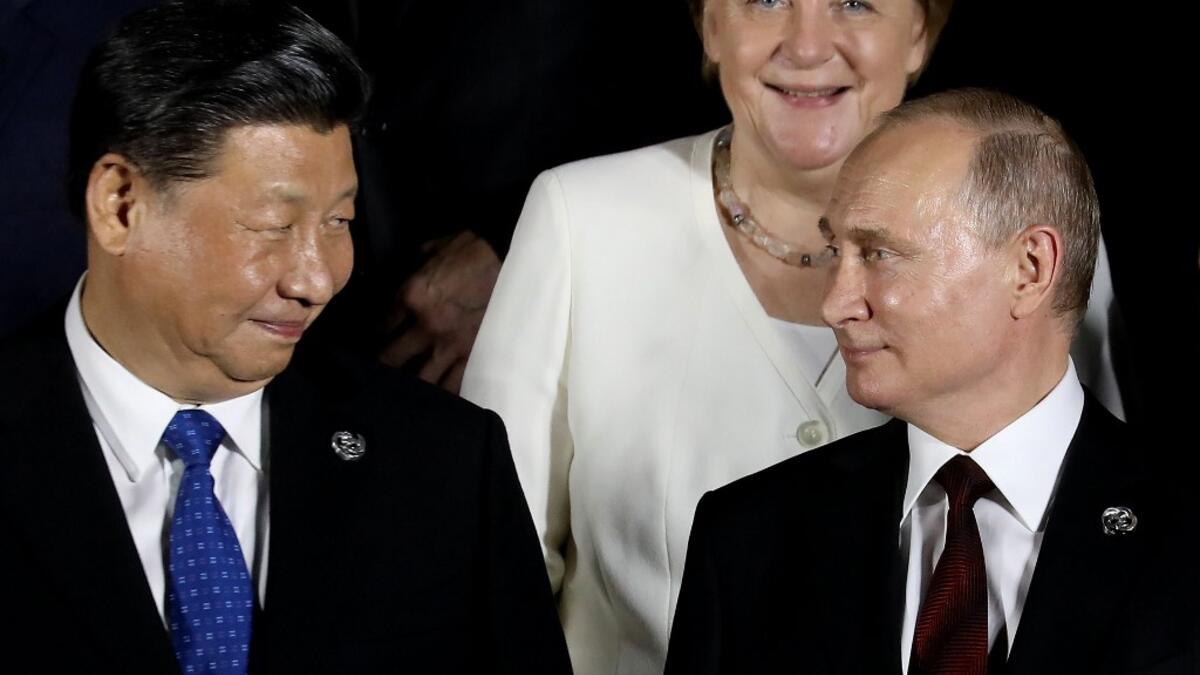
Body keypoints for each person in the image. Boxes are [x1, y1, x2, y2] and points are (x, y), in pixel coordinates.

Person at [459, 1, 1124, 673]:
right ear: (707, 25)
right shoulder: (581, 220)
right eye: (766, 0)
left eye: (855, 2)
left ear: (921, 33)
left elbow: (1104, 550)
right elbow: (483, 586)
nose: (807, 46)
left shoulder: (1037, 244)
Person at [0, 2, 570, 673]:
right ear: (121, 204)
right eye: (274, 225)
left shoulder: (444, 465)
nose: (319, 278)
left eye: (339, 221)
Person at [665, 89, 1197, 674]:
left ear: (1029, 269)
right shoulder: (748, 539)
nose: (834, 305)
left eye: (880, 254)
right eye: (834, 252)